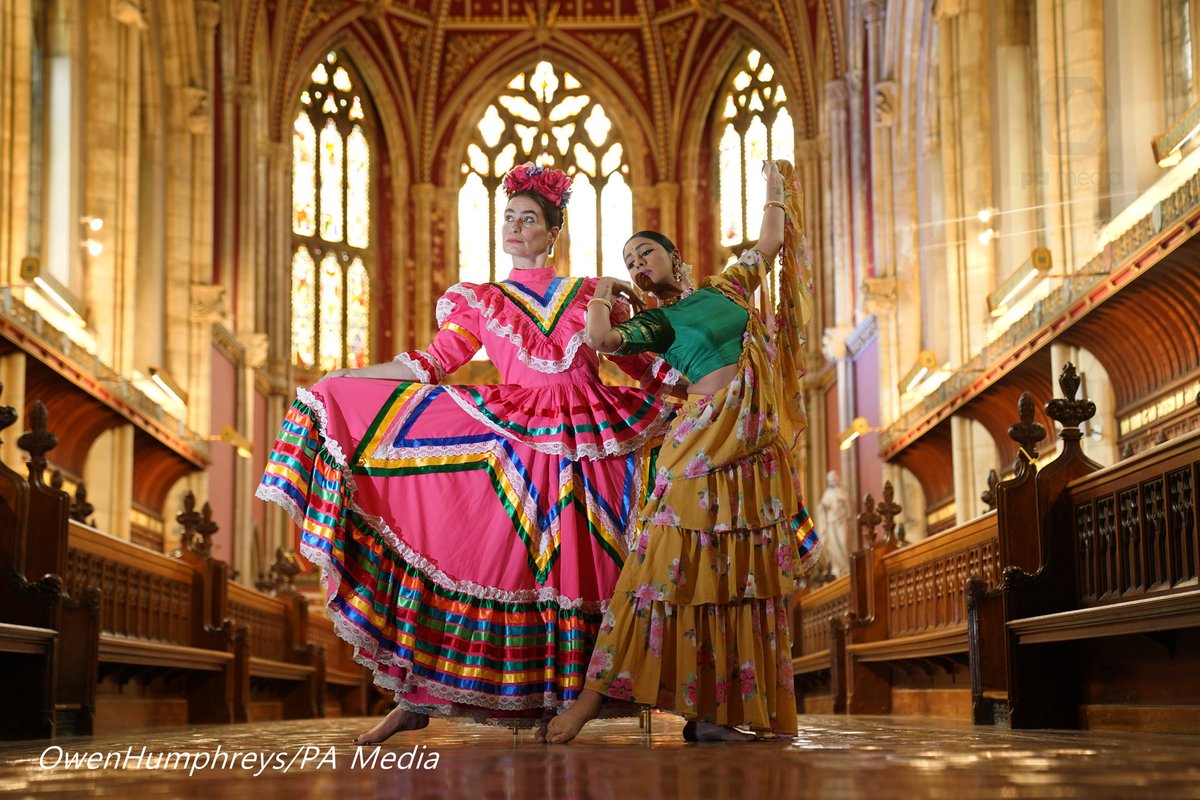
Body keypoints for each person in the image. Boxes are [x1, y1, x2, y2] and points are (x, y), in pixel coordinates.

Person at [257, 162, 679, 743]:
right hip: (512, 441)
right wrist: (347, 377)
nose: (513, 227)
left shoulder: (591, 295)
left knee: (588, 565)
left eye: (527, 219)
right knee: (487, 560)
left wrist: (707, 383)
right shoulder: (481, 300)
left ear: (551, 232)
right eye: (507, 217)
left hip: (589, 441)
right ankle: (418, 693)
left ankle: (576, 697)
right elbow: (429, 365)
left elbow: (642, 364)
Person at [546, 160, 820, 744]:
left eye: (645, 253)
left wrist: (774, 192)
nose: (639, 265)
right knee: (657, 568)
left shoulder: (727, 287)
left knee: (738, 578)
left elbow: (770, 243)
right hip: (699, 446)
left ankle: (717, 711)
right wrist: (600, 291)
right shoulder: (659, 323)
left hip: (754, 457)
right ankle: (589, 703)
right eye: (630, 263)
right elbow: (600, 339)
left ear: (674, 256)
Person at [818, 470, 852, 577]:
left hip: (841, 520)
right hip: (832, 522)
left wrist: (847, 512)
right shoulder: (827, 493)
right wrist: (822, 507)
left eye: (833, 479)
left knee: (843, 543)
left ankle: (845, 566)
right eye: (830, 480)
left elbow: (848, 507)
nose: (832, 482)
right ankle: (837, 567)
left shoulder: (843, 491)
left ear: (837, 479)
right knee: (833, 545)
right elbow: (822, 506)